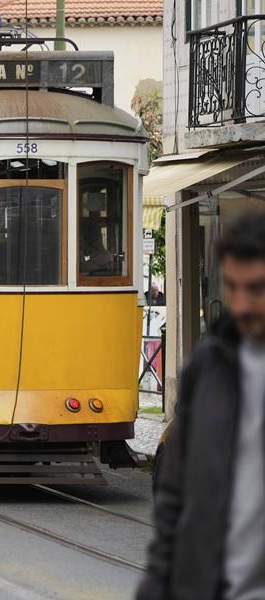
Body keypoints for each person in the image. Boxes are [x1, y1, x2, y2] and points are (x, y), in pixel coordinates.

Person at [137, 211, 265, 600]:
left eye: (255, 289)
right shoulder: (207, 368)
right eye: (232, 287)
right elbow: (174, 497)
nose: (241, 305)